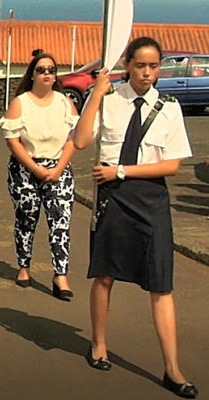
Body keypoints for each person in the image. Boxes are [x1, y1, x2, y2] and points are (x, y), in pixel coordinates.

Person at [73, 37, 198, 398]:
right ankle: (98, 344)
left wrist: (122, 171)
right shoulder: (110, 102)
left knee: (161, 283)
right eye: (140, 65)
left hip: (151, 197)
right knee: (106, 274)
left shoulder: (169, 107)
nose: (146, 73)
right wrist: (95, 94)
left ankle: (172, 368)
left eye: (153, 66)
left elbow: (172, 165)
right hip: (113, 199)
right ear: (128, 65)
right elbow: (81, 142)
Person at [0, 52, 78, 298]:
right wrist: (35, 168)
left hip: (58, 168)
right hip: (26, 169)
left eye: (51, 70)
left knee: (60, 223)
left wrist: (58, 169)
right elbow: (13, 141)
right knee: (26, 219)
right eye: (41, 69)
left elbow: (73, 139)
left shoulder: (65, 102)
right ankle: (24, 266)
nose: (47, 74)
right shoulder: (20, 102)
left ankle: (60, 275)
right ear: (32, 74)